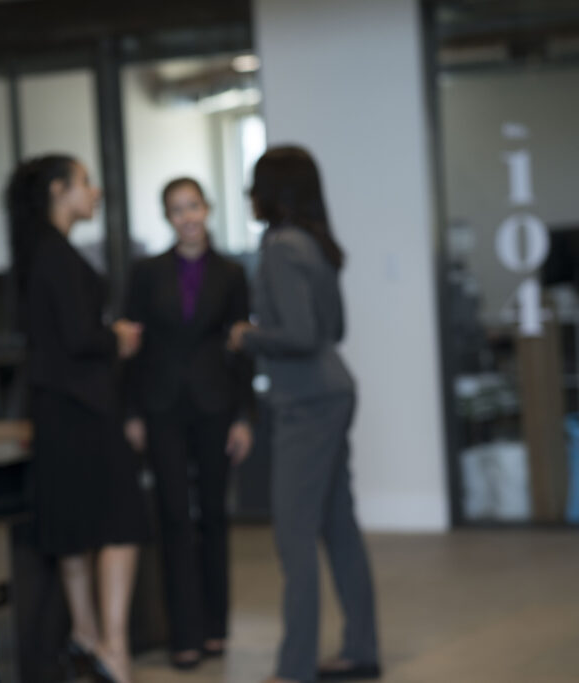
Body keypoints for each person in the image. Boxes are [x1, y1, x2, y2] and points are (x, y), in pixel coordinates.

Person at [228, 146, 381, 683]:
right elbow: (333, 331)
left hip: (307, 403)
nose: (250, 194)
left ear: (274, 191)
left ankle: (294, 670)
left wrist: (247, 336)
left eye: (255, 184)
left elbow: (301, 335)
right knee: (338, 526)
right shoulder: (315, 244)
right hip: (333, 391)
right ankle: (362, 651)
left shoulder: (279, 246)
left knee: (294, 537)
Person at [6, 154, 147, 683]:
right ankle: (113, 647)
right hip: (85, 408)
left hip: (58, 407)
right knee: (120, 523)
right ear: (60, 191)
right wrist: (119, 338)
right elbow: (79, 338)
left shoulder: (38, 250)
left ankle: (86, 636)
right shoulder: (55, 255)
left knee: (72, 524)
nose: (97, 193)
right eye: (87, 183)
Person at [122, 177, 255, 670]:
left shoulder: (233, 273)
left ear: (207, 208)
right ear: (168, 217)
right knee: (175, 516)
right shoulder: (145, 272)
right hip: (160, 407)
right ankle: (185, 635)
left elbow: (242, 353)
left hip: (217, 405)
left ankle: (216, 626)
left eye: (193, 206)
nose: (188, 217)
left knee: (214, 517)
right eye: (177, 209)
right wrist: (132, 411)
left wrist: (244, 417)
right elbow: (130, 349)